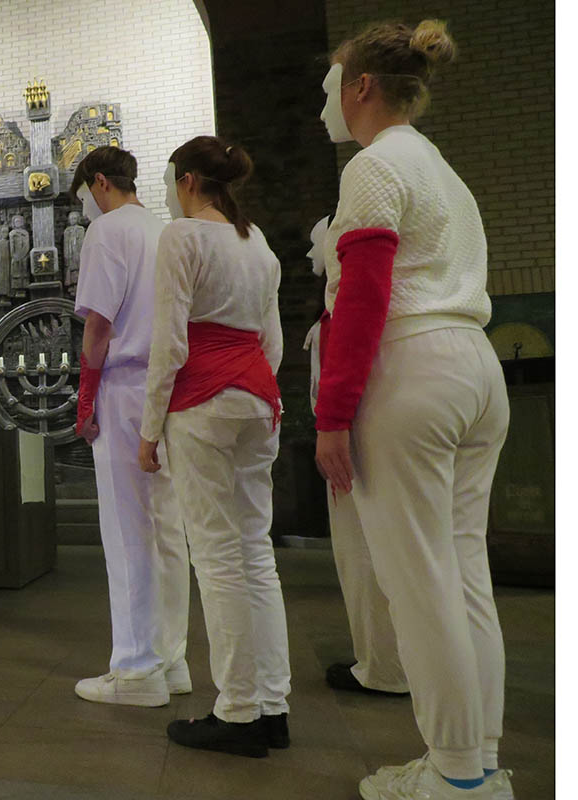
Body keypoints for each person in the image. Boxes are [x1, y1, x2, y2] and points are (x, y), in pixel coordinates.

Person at [315, 18, 512, 798]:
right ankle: (476, 764)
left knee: (419, 581)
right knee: (463, 575)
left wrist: (332, 414)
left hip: (411, 369)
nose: (324, 100)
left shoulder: (373, 166)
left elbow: (362, 299)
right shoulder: (441, 168)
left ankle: (456, 776)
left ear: (362, 87)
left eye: (331, 83)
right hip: (473, 368)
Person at [139, 135, 289, 759]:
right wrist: (259, 395)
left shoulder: (183, 238)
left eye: (175, 182)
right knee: (256, 553)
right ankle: (274, 706)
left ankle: (237, 711)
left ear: (191, 181)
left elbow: (170, 343)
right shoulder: (261, 246)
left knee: (217, 557)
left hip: (201, 400)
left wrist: (149, 429)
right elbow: (271, 343)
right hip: (257, 398)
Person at [68, 145, 191, 707]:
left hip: (122, 388)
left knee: (125, 527)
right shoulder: (168, 230)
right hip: (169, 387)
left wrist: (86, 393)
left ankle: (137, 670)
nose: (85, 212)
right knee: (168, 529)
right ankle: (172, 660)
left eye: (83, 200)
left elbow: (98, 326)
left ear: (99, 184)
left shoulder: (109, 230)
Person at [305, 215, 409, 697]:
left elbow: (339, 371)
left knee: (364, 553)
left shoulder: (340, 313)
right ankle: (385, 659)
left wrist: (332, 428)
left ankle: (383, 666)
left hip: (355, 442)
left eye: (316, 246)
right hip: (364, 435)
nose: (310, 256)